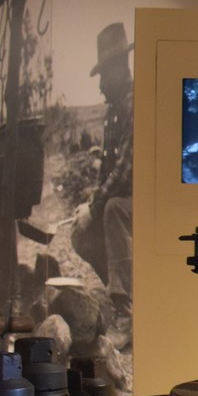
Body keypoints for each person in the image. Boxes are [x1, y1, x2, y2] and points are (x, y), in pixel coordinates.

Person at [71, 23, 133, 348]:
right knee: (81, 233)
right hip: (126, 204)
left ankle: (127, 311)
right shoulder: (114, 111)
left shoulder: (136, 105)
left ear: (120, 69)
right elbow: (106, 173)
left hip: (149, 205)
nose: (100, 86)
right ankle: (128, 292)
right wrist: (88, 206)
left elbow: (125, 174)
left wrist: (95, 208)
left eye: (104, 76)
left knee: (112, 209)